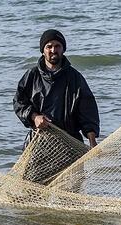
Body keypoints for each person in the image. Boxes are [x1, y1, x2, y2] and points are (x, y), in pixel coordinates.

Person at [13, 29, 100, 185]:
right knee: (32, 193)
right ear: (43, 50)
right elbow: (19, 102)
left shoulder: (75, 77)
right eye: (49, 46)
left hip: (70, 144)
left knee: (71, 195)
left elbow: (88, 110)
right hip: (39, 144)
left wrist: (92, 140)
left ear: (63, 49)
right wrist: (34, 116)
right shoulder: (32, 76)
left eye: (57, 46)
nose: (53, 50)